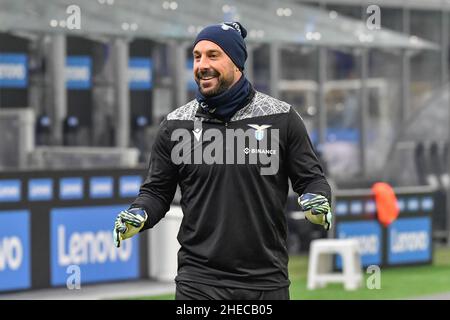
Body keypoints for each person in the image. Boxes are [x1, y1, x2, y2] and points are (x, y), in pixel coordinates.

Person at [113, 21, 332, 300]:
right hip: (198, 283)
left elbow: (311, 179)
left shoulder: (281, 118)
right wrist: (139, 213)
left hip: (265, 282)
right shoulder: (175, 125)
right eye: (197, 56)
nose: (202, 64)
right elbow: (157, 191)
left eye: (213, 55)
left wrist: (317, 200)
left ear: (237, 62)